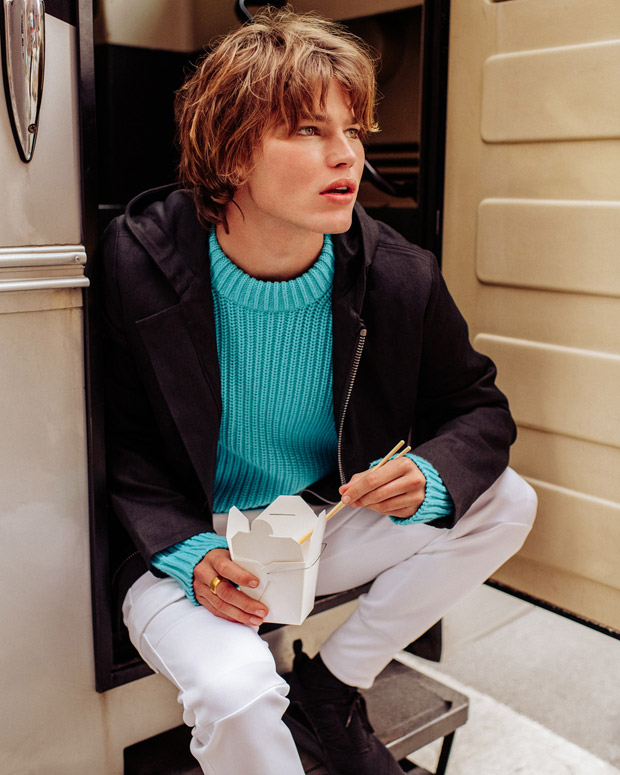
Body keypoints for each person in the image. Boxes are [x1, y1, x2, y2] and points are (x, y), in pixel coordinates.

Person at [101, 7, 537, 775]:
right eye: (308, 130)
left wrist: (431, 474)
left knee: (507, 500)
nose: (348, 155)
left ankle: (331, 686)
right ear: (231, 149)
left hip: (309, 526)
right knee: (237, 694)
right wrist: (187, 549)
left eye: (354, 130)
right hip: (178, 546)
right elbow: (120, 443)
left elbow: (478, 407)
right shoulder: (137, 262)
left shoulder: (398, 275)